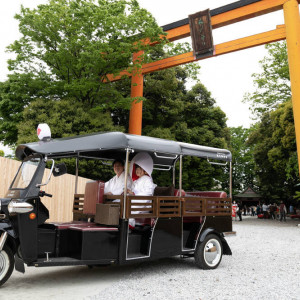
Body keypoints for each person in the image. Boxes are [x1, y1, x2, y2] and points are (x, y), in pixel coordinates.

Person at [127, 152, 157, 228]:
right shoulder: (137, 180)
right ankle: (125, 220)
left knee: (129, 202)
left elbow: (148, 193)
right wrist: (129, 192)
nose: (138, 170)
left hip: (144, 202)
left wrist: (133, 193)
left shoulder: (148, 180)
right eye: (137, 168)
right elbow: (133, 192)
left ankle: (130, 222)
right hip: (137, 199)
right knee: (123, 200)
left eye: (140, 169)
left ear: (145, 171)